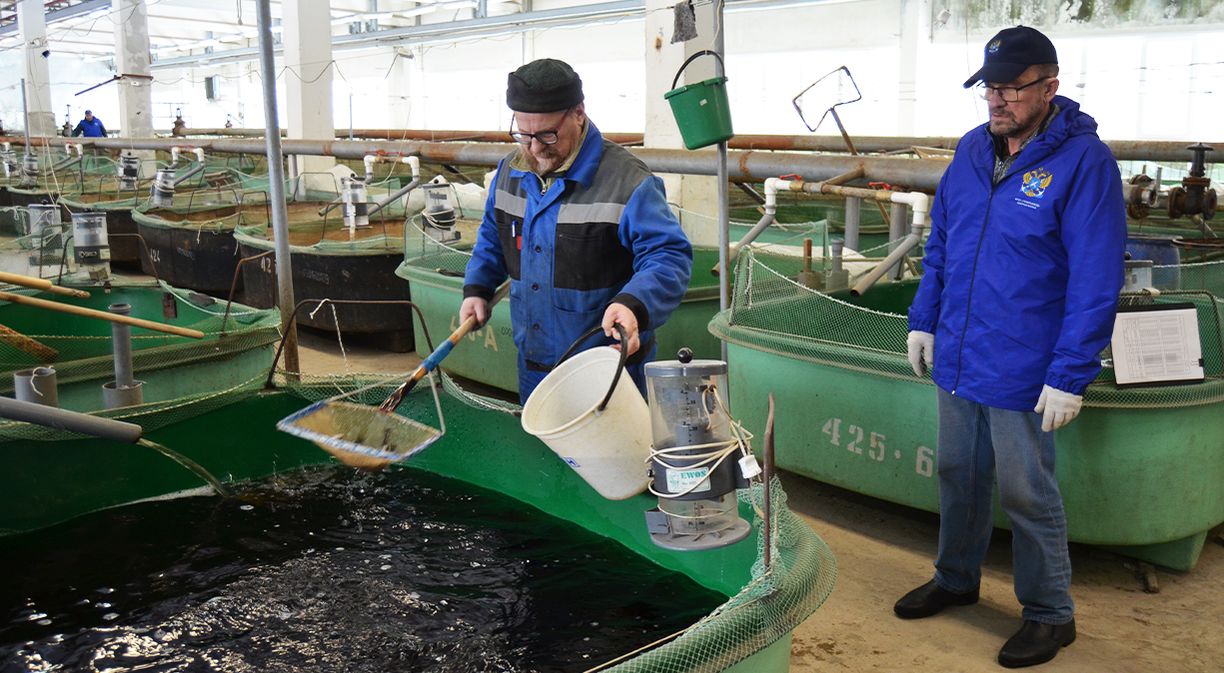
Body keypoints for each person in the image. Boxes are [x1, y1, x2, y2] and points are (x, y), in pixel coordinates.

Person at [896, 26, 1124, 669]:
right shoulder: (972, 150)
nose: (997, 101)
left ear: (1050, 87)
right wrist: (924, 319)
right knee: (957, 473)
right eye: (990, 88)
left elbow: (1095, 277)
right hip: (960, 351)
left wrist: (1071, 373)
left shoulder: (1085, 163)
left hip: (1026, 362)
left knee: (1027, 492)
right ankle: (956, 578)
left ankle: (1051, 614)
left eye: (1012, 90)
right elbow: (942, 244)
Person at [461, 58, 692, 401]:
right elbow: (494, 236)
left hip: (608, 369)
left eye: (547, 135)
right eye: (524, 134)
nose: (534, 148)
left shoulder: (627, 181)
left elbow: (668, 255)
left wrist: (634, 304)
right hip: (535, 366)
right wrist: (477, 287)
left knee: (615, 438)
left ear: (579, 113)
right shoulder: (509, 173)